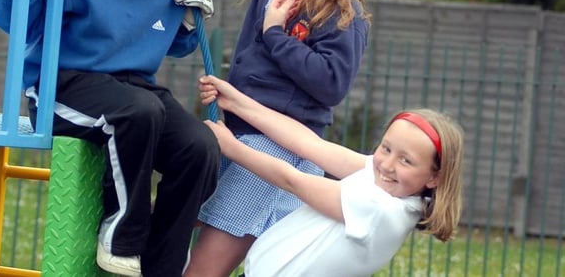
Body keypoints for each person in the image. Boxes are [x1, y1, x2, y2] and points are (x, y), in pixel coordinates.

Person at [0, 0, 220, 277]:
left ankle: (163, 265)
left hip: (131, 87)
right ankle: (121, 238)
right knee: (138, 112)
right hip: (62, 83)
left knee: (199, 146)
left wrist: (189, 20)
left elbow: (177, 46)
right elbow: (16, 20)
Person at [172, 0, 372, 275]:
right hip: (238, 133)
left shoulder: (340, 8)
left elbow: (331, 83)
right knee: (171, 235)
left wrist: (275, 35)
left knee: (203, 269)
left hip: (280, 149)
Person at [198, 74, 465, 277]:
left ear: (434, 178)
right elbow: (310, 144)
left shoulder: (381, 207)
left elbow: (293, 180)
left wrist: (232, 148)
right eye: (386, 148)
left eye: (406, 160)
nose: (387, 164)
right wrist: (237, 102)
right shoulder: (384, 183)